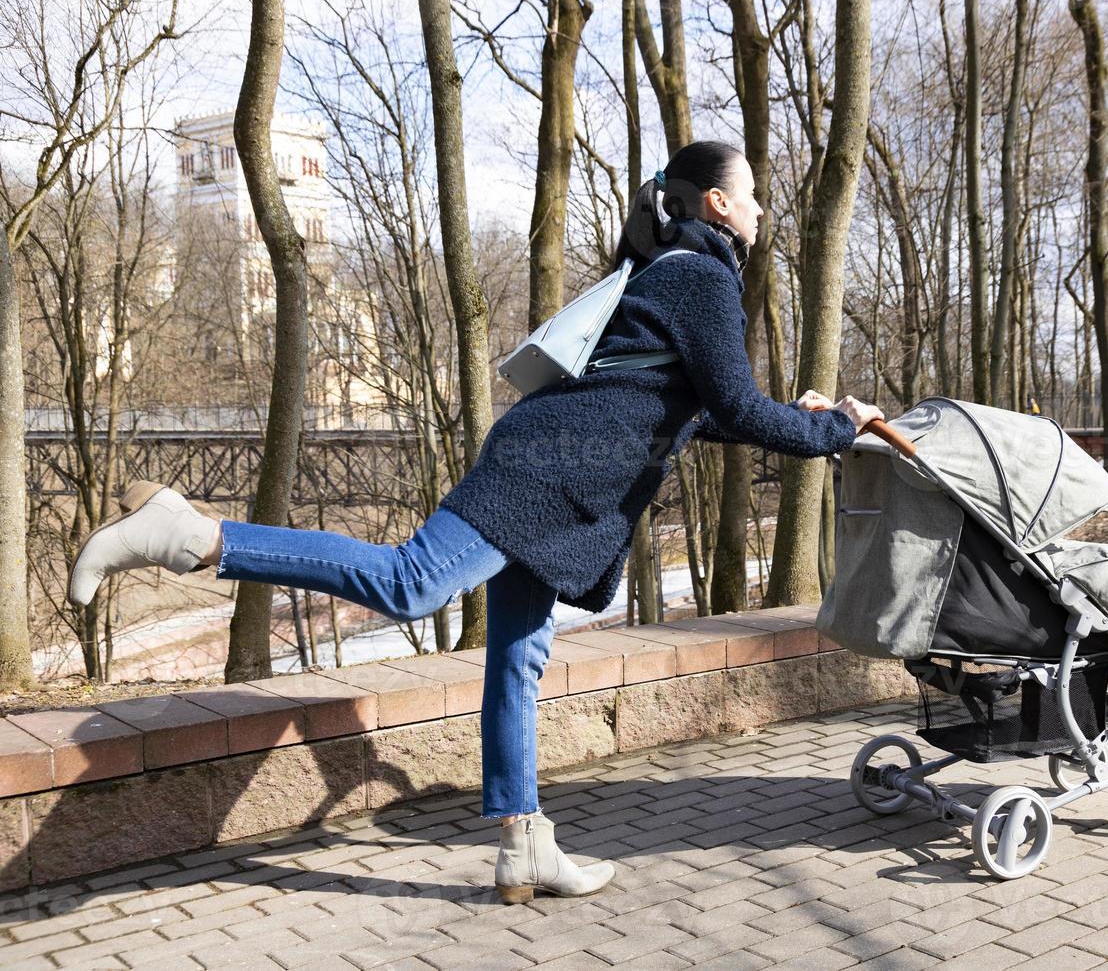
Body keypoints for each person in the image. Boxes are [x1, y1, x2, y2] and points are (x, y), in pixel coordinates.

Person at [66, 139, 885, 904]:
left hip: (564, 473)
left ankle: (526, 839)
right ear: (716, 203)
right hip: (548, 470)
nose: (762, 211)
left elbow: (687, 406)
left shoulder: (669, 269)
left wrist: (802, 418)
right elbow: (734, 406)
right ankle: (193, 533)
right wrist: (837, 427)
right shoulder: (702, 277)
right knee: (411, 582)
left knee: (519, 659)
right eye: (753, 198)